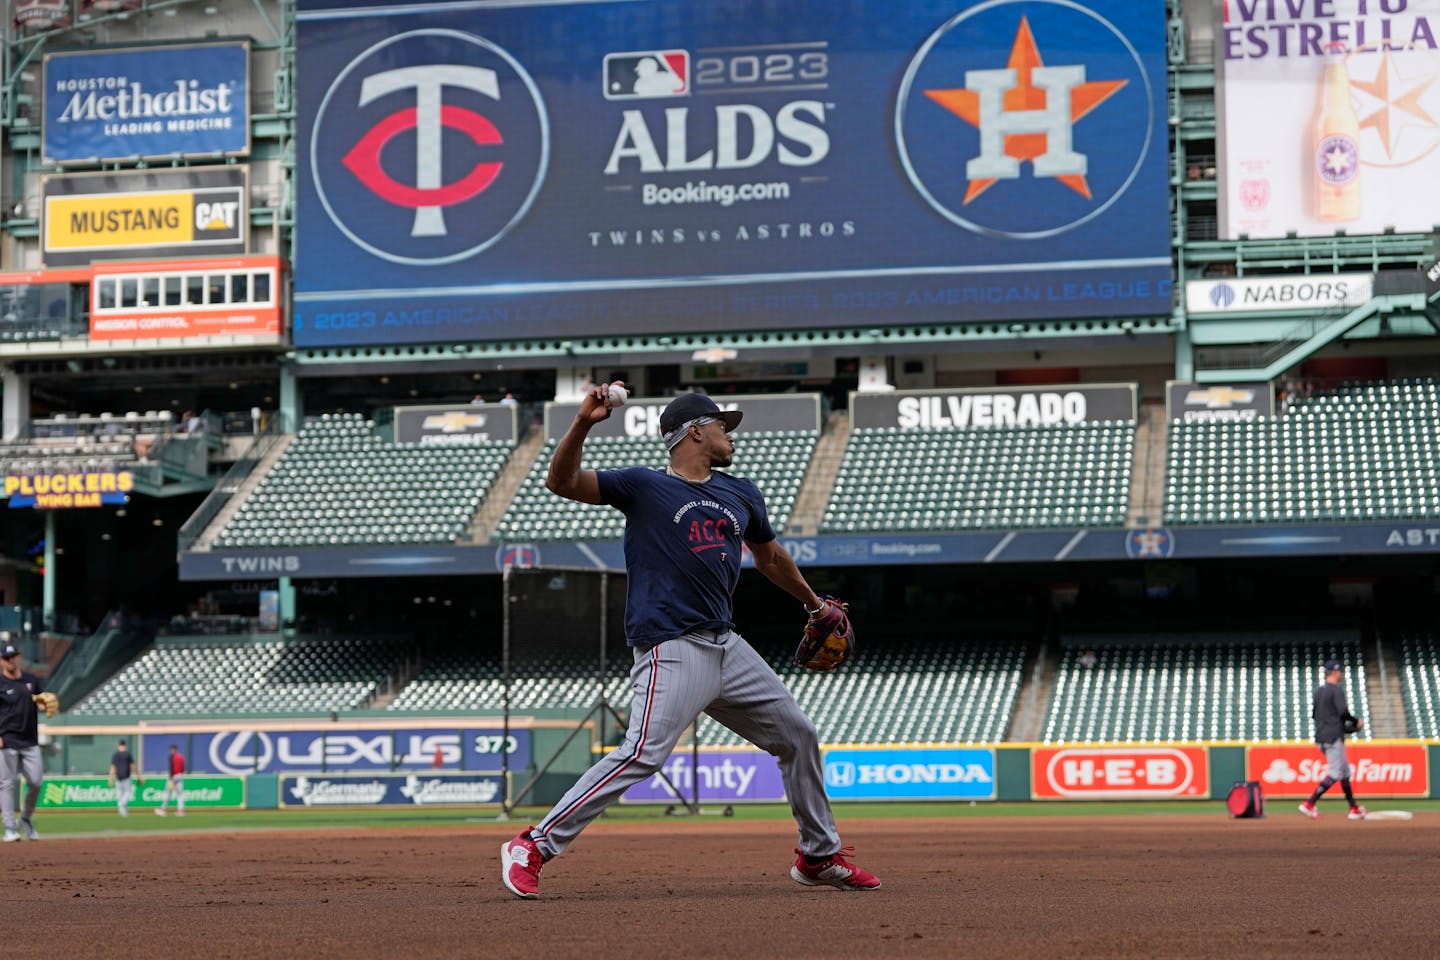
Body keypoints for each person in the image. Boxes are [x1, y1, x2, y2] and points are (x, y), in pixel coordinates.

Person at [500, 386, 880, 899]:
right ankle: (533, 844)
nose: (730, 434)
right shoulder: (643, 486)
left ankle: (818, 856)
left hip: (728, 646)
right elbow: (561, 481)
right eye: (723, 425)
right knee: (642, 753)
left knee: (798, 736)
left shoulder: (740, 491)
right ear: (697, 431)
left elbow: (769, 558)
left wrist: (814, 604)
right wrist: (584, 424)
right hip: (672, 645)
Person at [1299, 658, 1366, 820]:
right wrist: (1356, 721)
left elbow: (1317, 716)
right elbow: (1343, 712)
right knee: (1335, 773)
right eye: (1340, 671)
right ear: (1335, 672)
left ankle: (1354, 808)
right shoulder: (1336, 690)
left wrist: (1347, 729)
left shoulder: (1319, 692)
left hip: (1321, 737)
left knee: (1344, 773)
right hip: (1333, 738)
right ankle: (1309, 804)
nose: (1341, 674)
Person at [0, 642, 45, 841]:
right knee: (6, 784)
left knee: (36, 782)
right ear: (1, 661)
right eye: (6, 658)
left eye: (13, 657)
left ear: (18, 657)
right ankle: (10, 828)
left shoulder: (31, 680)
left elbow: (41, 700)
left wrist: (45, 705)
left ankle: (25, 819)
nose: (11, 661)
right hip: (7, 740)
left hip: (30, 740)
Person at [108, 739, 141, 818]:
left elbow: (113, 767)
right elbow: (133, 766)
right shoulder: (127, 754)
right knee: (127, 793)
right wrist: (138, 776)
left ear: (119, 745)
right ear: (125, 745)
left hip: (118, 777)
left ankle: (123, 813)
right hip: (126, 776)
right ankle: (121, 806)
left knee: (120, 795)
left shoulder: (115, 755)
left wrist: (110, 778)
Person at [155, 744, 185, 817]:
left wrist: (170, 778)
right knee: (180, 794)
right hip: (180, 775)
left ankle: (163, 809)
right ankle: (180, 811)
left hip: (173, 776)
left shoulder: (171, 756)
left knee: (167, 792)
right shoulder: (181, 756)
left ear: (172, 749)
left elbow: (171, 767)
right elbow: (183, 767)